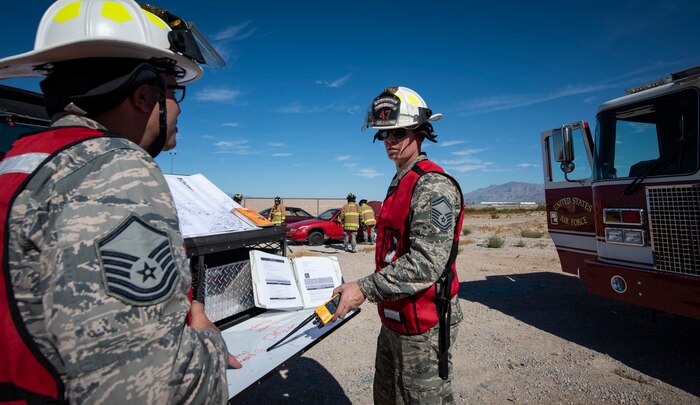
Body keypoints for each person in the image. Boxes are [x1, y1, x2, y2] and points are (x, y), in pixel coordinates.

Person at [0, 1, 240, 403]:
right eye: (176, 93)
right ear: (145, 96)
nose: (180, 109)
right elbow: (147, 388)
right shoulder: (114, 168)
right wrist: (207, 344)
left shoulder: (20, 162)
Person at [332, 87, 465, 404]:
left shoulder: (432, 185)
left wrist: (364, 288)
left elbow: (426, 263)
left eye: (398, 132)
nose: (389, 141)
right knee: (388, 397)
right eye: (384, 135)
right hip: (395, 318)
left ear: (421, 132)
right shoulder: (400, 181)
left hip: (423, 325)